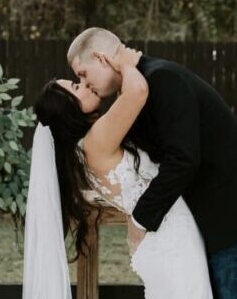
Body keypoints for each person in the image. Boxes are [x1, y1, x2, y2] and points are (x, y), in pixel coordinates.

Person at [68, 28, 237, 298]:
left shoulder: (162, 79)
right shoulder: (136, 88)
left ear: (100, 57)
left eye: (82, 73)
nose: (84, 82)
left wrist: (140, 220)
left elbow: (183, 159)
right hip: (216, 221)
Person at [27, 45, 213, 298]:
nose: (84, 85)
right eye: (75, 86)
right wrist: (126, 61)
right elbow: (137, 91)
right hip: (170, 239)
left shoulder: (87, 146)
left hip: (163, 237)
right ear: (67, 109)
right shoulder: (96, 140)